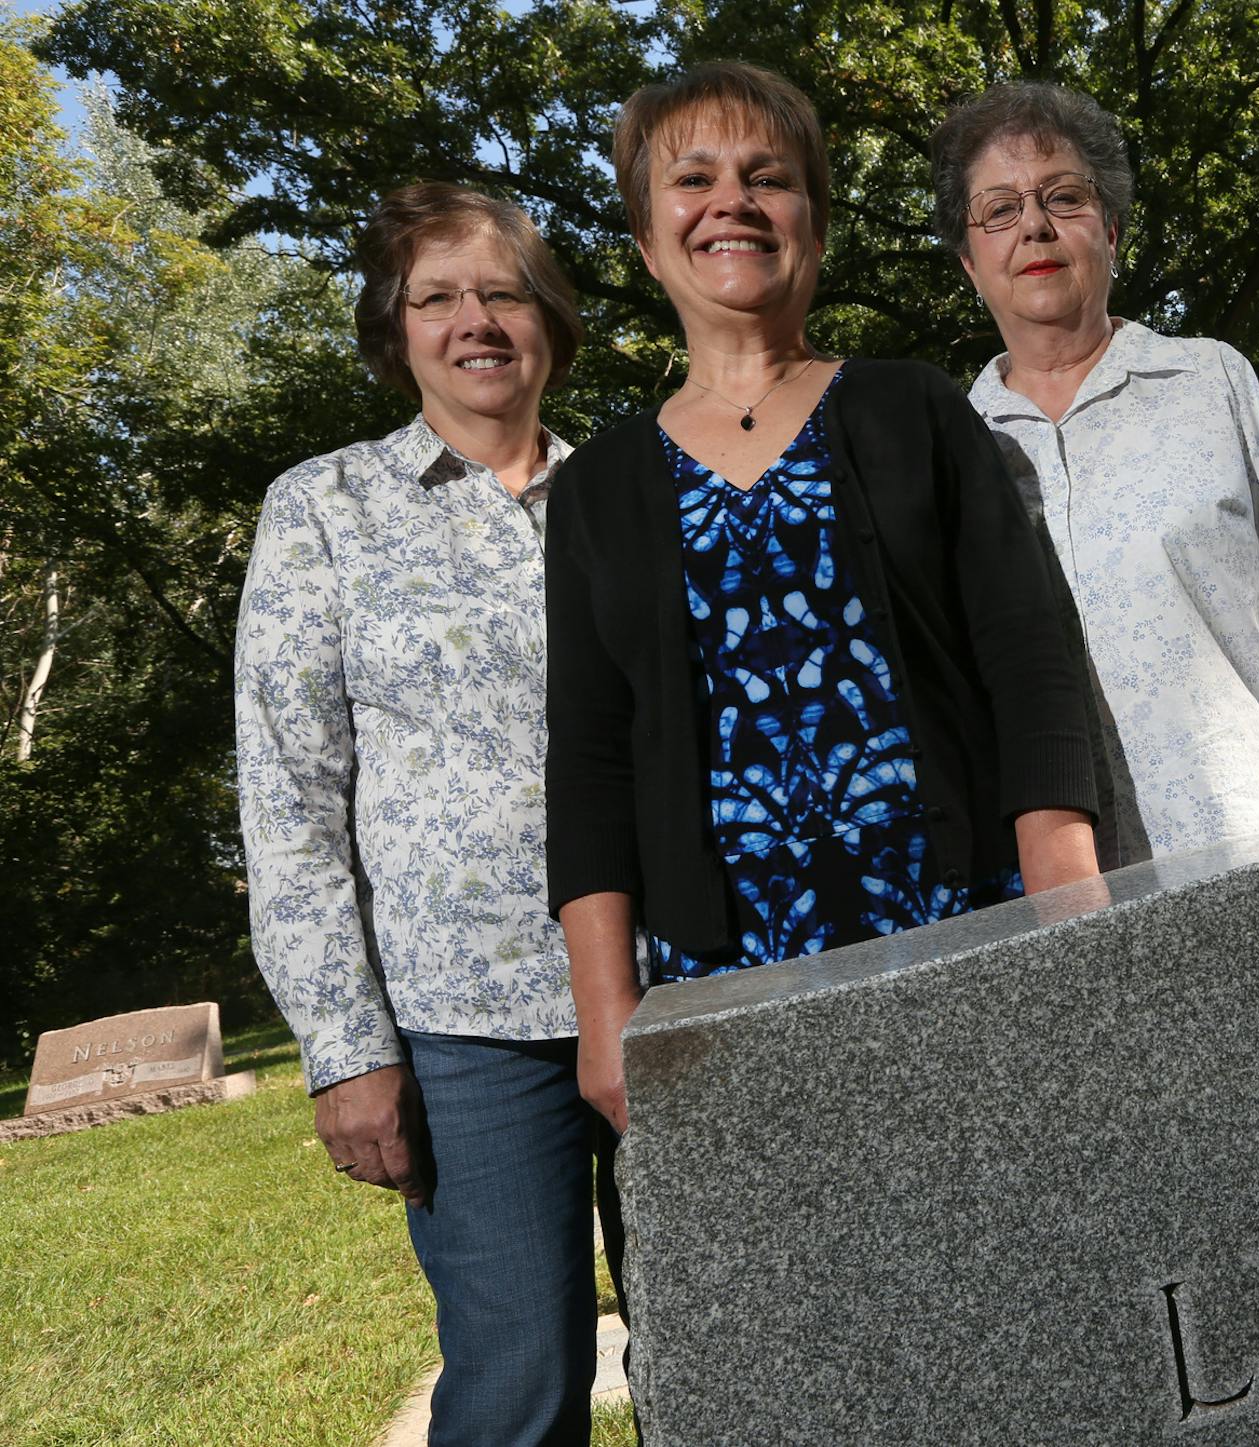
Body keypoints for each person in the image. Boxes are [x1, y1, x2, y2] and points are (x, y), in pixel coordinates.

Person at [547, 61, 1100, 1132]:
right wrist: (606, 1009)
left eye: (769, 175)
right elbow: (590, 756)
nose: (733, 202)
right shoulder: (597, 489)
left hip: (962, 926)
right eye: (692, 178)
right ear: (645, 237)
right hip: (727, 978)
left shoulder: (915, 409)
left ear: (814, 221)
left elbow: (1027, 655)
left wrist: (1068, 907)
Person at [234, 182, 621, 1446]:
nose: (476, 321)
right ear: (394, 330)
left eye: (503, 292)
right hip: (465, 1032)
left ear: (550, 320)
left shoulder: (633, 492)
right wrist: (344, 1046)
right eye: (438, 297)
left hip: (672, 993)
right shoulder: (325, 510)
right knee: (519, 1387)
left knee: (736, 1346)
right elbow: (290, 794)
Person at [931, 83, 1259, 867]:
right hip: (1061, 898)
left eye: (1064, 196)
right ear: (968, 260)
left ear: (1111, 230)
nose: (1036, 227)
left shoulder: (1209, 381)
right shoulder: (951, 448)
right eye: (1001, 210)